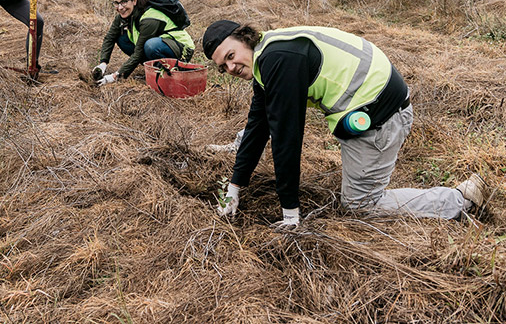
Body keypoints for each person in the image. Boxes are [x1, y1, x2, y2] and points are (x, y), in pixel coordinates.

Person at [202, 20, 487, 226]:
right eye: (222, 67)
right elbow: (257, 127)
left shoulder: (278, 60)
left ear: (245, 38)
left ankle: (460, 201)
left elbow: (286, 138)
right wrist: (234, 188)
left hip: (382, 118)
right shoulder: (270, 53)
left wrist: (290, 212)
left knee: (360, 206)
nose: (230, 68)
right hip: (375, 107)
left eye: (230, 56)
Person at [94, 0, 195, 86]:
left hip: (181, 48)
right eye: (116, 3)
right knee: (121, 38)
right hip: (159, 45)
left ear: (134, 1)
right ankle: (153, 68)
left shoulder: (149, 18)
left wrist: (115, 76)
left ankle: (172, 73)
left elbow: (139, 51)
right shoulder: (125, 14)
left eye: (124, 2)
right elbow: (110, 38)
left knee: (150, 45)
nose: (120, 7)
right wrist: (103, 63)